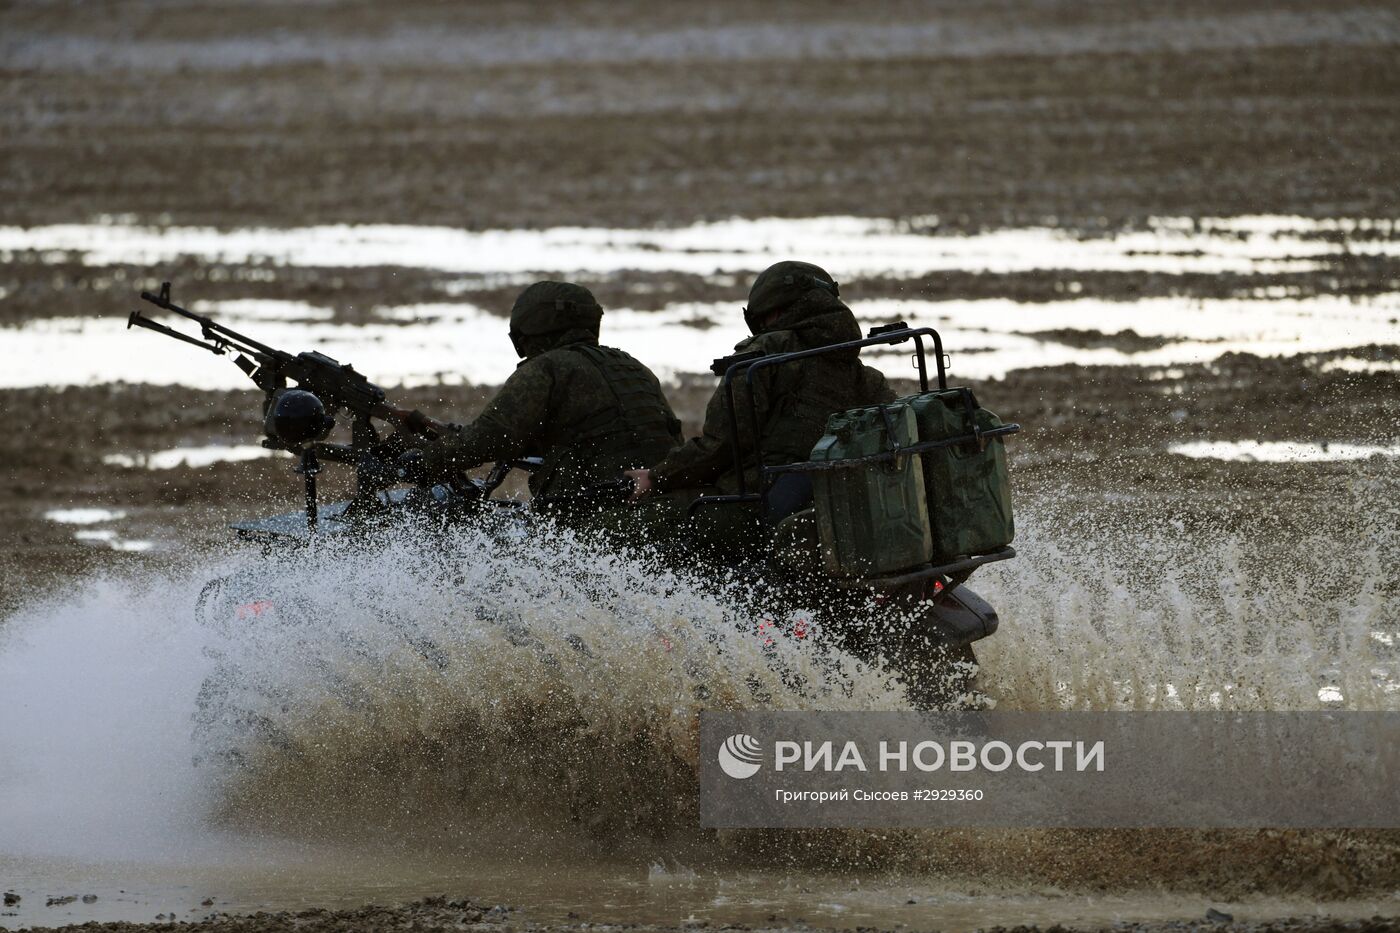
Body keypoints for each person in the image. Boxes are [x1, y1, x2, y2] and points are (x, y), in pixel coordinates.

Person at [626, 261, 894, 553]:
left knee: (625, 527)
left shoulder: (764, 358)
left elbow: (722, 444)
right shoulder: (865, 377)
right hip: (841, 510)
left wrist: (657, 476)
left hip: (758, 507)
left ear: (772, 311)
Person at [412, 281, 683, 506]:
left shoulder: (546, 368)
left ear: (527, 328)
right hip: (663, 496)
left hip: (595, 506)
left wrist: (423, 461)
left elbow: (491, 438)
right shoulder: (632, 366)